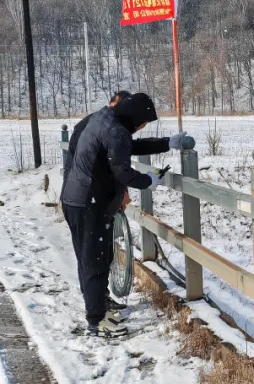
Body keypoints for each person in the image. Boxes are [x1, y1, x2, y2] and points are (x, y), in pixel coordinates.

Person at [60, 91, 188, 338]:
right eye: (143, 123)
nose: (141, 128)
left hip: (79, 199)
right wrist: (147, 181)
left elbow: (127, 147)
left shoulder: (103, 119)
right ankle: (97, 320)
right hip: (89, 202)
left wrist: (167, 143)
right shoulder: (115, 130)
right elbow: (122, 171)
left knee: (93, 258)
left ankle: (98, 304)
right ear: (135, 117)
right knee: (95, 261)